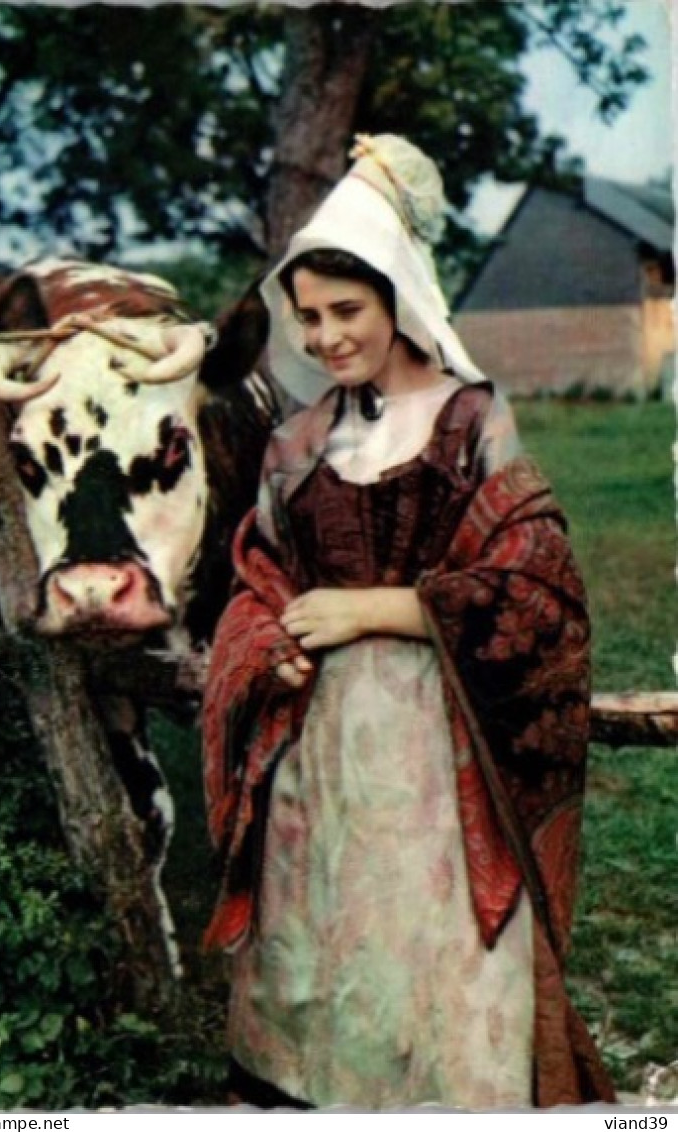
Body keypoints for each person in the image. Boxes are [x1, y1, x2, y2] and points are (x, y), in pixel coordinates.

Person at [202, 135, 614, 1110]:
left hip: (441, 749)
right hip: (323, 753)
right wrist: (273, 643)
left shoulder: (469, 422)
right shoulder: (298, 441)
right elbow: (256, 572)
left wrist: (379, 608)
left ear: (396, 296)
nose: (325, 337)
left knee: (428, 962)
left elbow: (539, 587)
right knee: (322, 951)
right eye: (305, 318)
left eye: (346, 310)